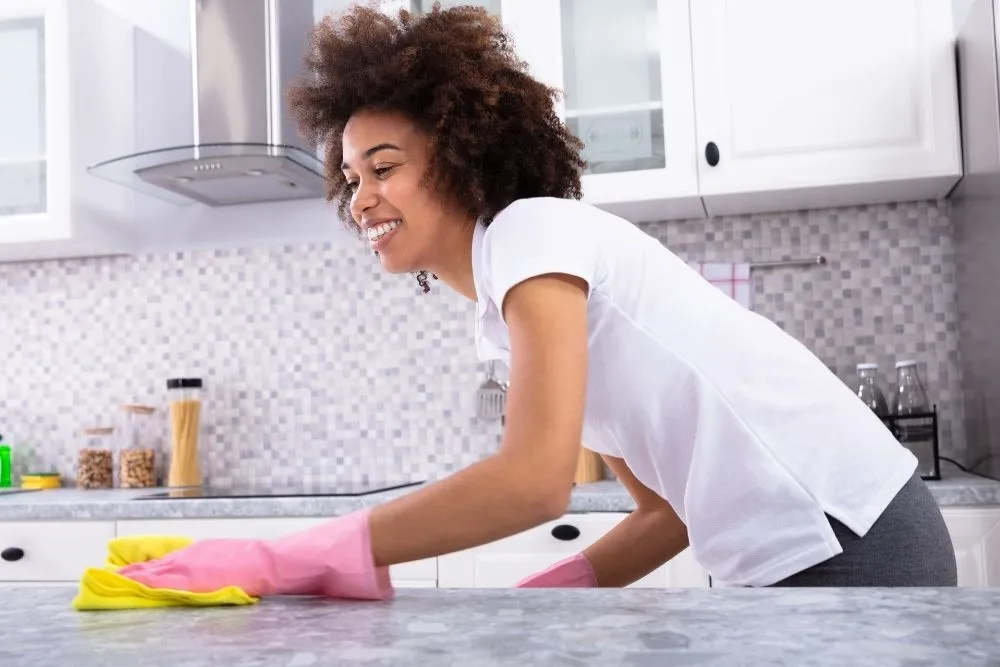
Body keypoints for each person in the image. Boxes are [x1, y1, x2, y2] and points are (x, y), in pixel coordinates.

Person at [118, 4, 957, 597]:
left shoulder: (532, 231)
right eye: (349, 178)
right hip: (807, 551)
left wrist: (286, 556)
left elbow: (533, 483)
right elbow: (664, 511)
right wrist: (554, 589)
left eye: (383, 166)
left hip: (853, 540)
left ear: (461, 152)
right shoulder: (504, 299)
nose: (361, 198)